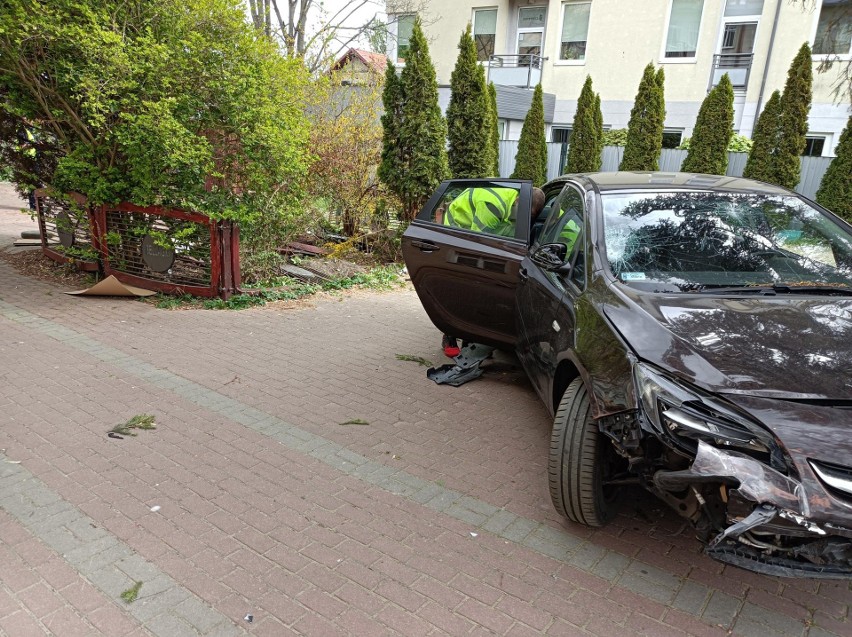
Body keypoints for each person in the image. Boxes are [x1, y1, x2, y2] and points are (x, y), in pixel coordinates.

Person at [441, 187, 546, 357]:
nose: (523, 218)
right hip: (459, 229)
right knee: (464, 286)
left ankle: (471, 333)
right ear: (518, 201)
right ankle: (450, 335)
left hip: (479, 230)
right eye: (523, 214)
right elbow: (480, 242)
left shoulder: (516, 205)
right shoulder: (492, 206)